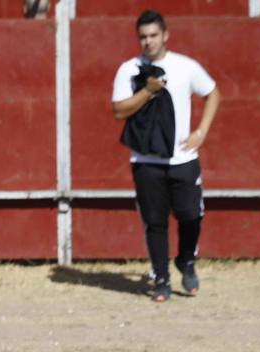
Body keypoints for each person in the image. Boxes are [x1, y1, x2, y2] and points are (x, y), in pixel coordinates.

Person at [111, 9, 221, 303]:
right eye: (143, 37)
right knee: (155, 223)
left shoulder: (184, 66)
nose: (148, 42)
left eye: (153, 35)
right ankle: (161, 278)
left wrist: (201, 131)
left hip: (183, 157)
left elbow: (213, 93)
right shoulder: (129, 69)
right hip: (146, 160)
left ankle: (186, 259)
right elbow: (119, 110)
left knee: (191, 216)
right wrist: (147, 92)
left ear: (165, 35)